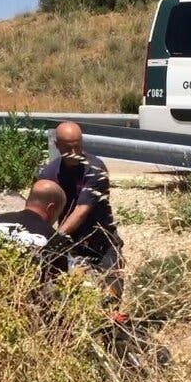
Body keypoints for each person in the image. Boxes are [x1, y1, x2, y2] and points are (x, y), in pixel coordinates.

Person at [37, 121, 122, 292]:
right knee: (70, 291)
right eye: (68, 148)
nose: (74, 153)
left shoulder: (95, 169)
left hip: (101, 239)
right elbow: (41, 210)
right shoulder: (49, 174)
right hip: (71, 242)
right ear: (57, 145)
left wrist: (55, 239)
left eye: (78, 146)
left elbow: (82, 210)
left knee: (112, 291)